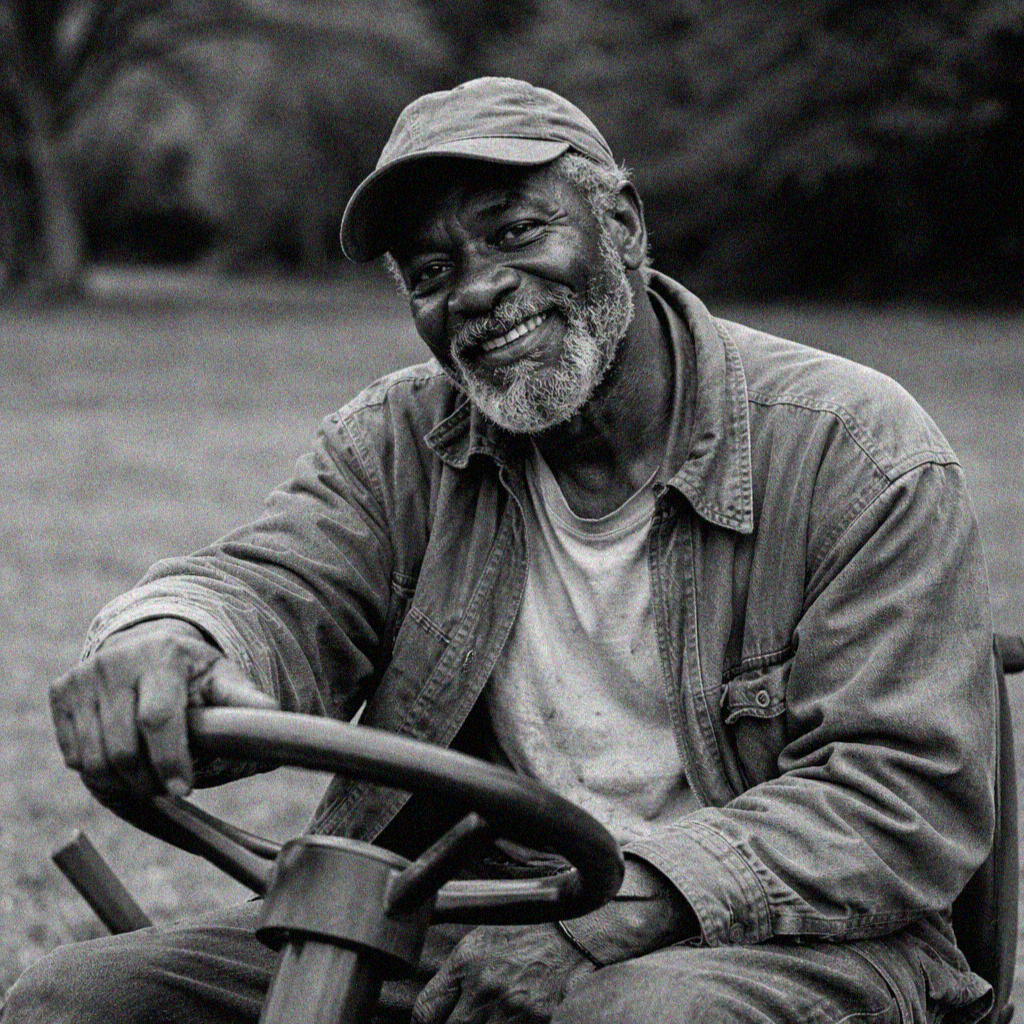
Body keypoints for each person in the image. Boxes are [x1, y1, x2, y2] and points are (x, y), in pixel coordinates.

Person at [4, 77, 998, 1024]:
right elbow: (275, 585)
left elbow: (898, 793)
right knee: (80, 999)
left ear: (622, 224)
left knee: (643, 1013)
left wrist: (610, 915)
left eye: (516, 231)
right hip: (473, 911)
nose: (478, 289)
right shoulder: (400, 442)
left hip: (798, 936)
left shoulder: (853, 449)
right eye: (430, 273)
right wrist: (168, 636)